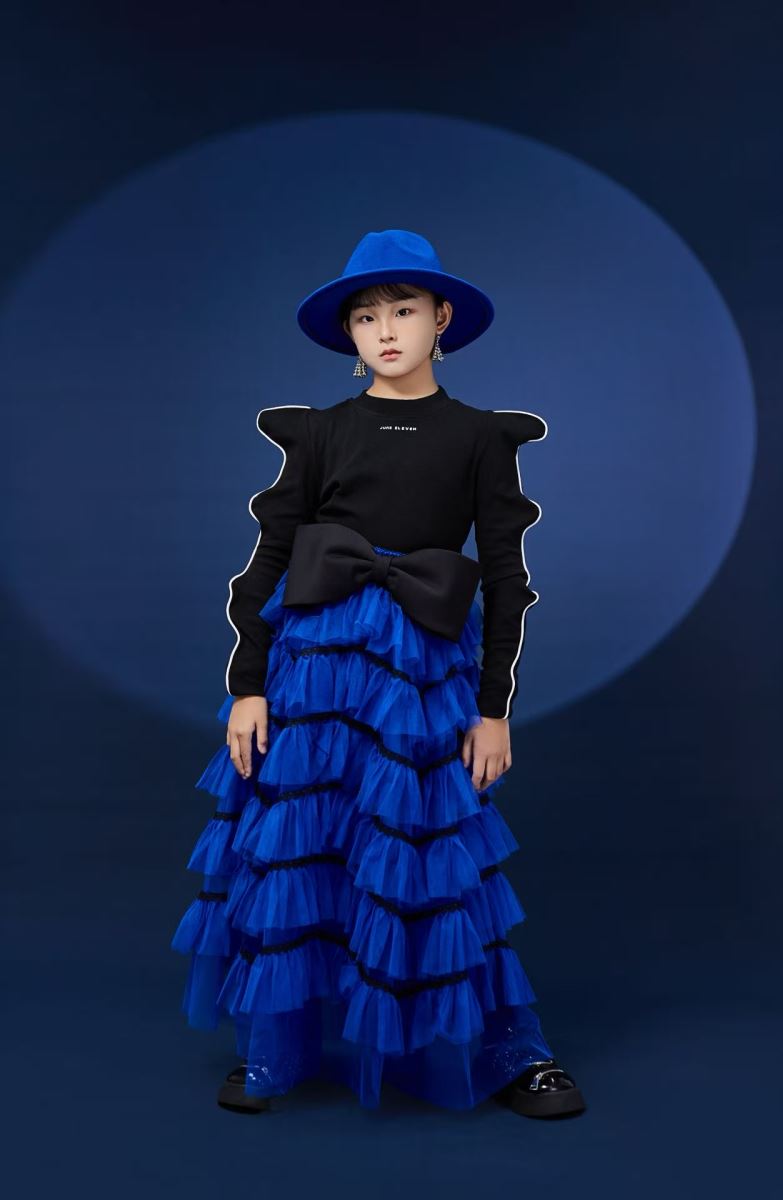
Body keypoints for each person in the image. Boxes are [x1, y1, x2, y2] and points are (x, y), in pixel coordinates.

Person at [171, 229, 586, 1119]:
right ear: (350, 337)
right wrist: (249, 685)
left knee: (427, 850)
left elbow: (506, 579)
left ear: (443, 319)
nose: (386, 330)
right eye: (365, 317)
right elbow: (267, 562)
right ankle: (275, 1050)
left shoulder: (481, 437)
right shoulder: (320, 433)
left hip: (422, 668)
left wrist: (493, 709)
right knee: (302, 844)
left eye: (403, 310)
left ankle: (507, 1051)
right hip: (316, 670)